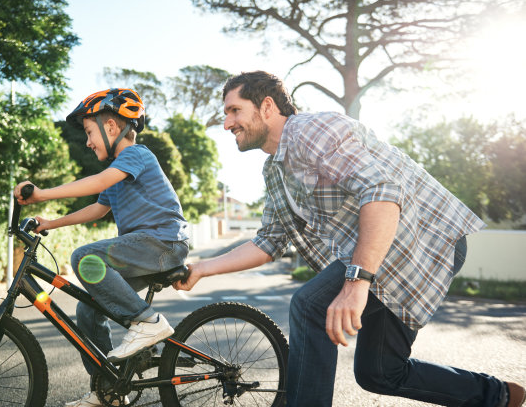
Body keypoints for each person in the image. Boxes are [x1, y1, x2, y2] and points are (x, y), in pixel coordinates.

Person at [174, 71, 525, 407]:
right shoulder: (275, 171)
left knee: (310, 304)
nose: (227, 123)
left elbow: (383, 192)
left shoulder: (310, 131)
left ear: (267, 107)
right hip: (387, 249)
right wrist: (202, 268)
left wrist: (356, 283)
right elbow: (268, 241)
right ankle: (497, 396)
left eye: (235, 110)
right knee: (379, 373)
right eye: (225, 114)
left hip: (422, 236)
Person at [14, 88, 189, 407]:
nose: (88, 141)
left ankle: (148, 323)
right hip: (144, 250)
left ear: (112, 128)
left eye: (90, 131)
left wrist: (41, 194)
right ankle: (108, 391)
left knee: (85, 256)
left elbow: (96, 183)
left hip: (162, 242)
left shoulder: (135, 155)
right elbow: (98, 206)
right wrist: (50, 223)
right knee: (88, 310)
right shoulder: (117, 175)